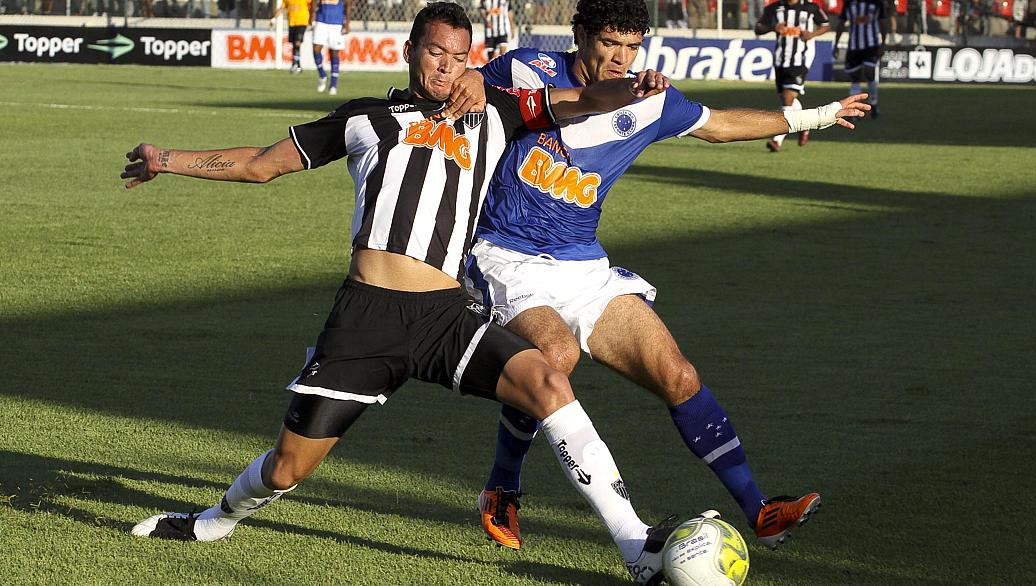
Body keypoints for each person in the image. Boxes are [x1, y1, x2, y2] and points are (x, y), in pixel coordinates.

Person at [121, 3, 694, 584]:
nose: (445, 68)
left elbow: (583, 100)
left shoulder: (497, 111)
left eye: (458, 57)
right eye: (435, 53)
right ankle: (215, 518)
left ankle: (635, 548)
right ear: (409, 50)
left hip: (445, 315)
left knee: (548, 380)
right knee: (287, 471)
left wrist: (632, 86)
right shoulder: (366, 118)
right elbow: (261, 164)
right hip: (367, 318)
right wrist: (165, 160)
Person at [449, 0, 867, 554]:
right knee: (555, 355)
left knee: (677, 372)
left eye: (632, 47)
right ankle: (502, 488)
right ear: (579, 36)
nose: (621, 59)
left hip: (583, 265)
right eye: (609, 44)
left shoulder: (650, 101)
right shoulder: (530, 68)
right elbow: (474, 79)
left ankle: (760, 511)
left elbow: (718, 126)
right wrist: (475, 79)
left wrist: (814, 116)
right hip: (506, 254)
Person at [754, 0, 830, 151]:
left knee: (788, 98)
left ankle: (777, 139)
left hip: (801, 58)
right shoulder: (774, 8)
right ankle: (804, 125)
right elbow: (758, 28)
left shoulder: (810, 7)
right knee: (786, 98)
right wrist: (773, 27)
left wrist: (812, 34)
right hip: (781, 58)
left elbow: (826, 25)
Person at [833, 0, 887, 118]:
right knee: (855, 78)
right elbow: (841, 23)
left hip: (871, 45)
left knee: (869, 71)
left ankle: (873, 103)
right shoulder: (849, 3)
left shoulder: (877, 3)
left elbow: (882, 22)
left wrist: (883, 43)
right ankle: (854, 110)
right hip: (854, 47)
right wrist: (836, 43)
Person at [310, 0, 351, 95]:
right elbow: (314, 2)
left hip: (336, 22)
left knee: (334, 53)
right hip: (321, 20)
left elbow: (348, 4)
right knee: (316, 48)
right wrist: (312, 15)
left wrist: (347, 23)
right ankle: (322, 75)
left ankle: (333, 84)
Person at [271, 0, 311, 73]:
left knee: (297, 42)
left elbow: (312, 6)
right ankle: (297, 65)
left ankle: (295, 64)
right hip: (292, 23)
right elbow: (281, 8)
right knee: (294, 44)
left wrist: (312, 20)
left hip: (302, 21)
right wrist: (274, 19)